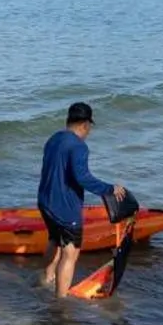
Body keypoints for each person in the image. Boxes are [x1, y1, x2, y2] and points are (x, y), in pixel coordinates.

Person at [36, 102, 125, 297]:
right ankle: (60, 300)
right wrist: (110, 189)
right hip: (65, 208)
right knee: (70, 253)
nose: (89, 132)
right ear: (85, 124)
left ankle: (45, 278)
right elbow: (82, 178)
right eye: (89, 127)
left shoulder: (53, 139)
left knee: (53, 240)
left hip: (45, 201)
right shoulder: (79, 147)